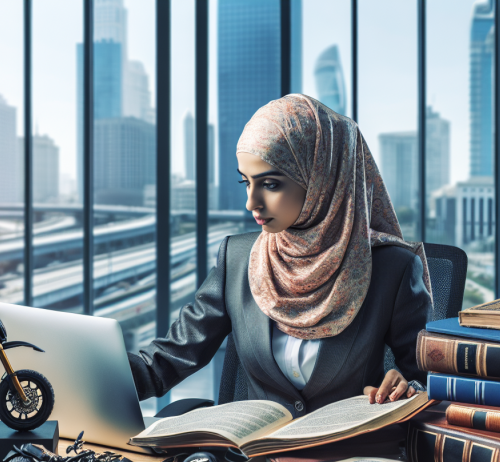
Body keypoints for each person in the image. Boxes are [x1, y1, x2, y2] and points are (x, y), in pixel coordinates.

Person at [128, 94, 431, 416]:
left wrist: (409, 386)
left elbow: (426, 376)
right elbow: (166, 362)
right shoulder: (239, 259)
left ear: (321, 180)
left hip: (345, 456)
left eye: (270, 184)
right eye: (246, 183)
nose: (252, 203)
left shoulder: (392, 269)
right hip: (252, 459)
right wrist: (86, 373)